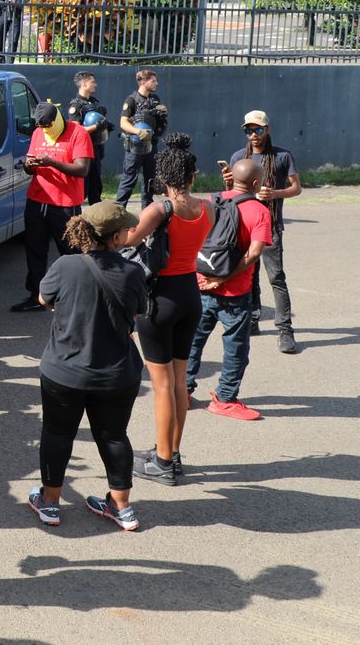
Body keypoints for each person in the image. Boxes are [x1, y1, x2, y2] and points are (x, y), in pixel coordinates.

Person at [27, 201, 148, 532]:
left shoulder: (66, 266)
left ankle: (50, 503)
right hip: (117, 373)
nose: (129, 232)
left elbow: (44, 299)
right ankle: (121, 508)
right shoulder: (132, 272)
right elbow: (137, 313)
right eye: (125, 228)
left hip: (64, 370)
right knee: (113, 435)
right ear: (113, 237)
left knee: (56, 432)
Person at [117, 134, 214, 485]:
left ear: (163, 178)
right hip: (190, 295)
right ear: (192, 176)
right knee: (178, 383)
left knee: (160, 385)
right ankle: (172, 454)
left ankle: (160, 461)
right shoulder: (208, 208)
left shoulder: (159, 209)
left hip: (161, 299)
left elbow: (127, 239)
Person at [186, 159, 274, 421]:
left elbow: (193, 239)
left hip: (201, 284)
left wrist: (203, 276)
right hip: (235, 293)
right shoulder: (259, 211)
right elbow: (254, 253)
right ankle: (225, 399)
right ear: (257, 184)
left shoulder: (211, 202)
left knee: (193, 341)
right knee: (236, 348)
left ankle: (183, 392)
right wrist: (223, 279)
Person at [228, 110, 302, 354]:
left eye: (258, 130)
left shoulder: (282, 156)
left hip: (270, 225)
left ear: (267, 130)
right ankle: (253, 318)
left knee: (276, 277)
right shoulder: (239, 157)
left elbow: (296, 188)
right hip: (245, 226)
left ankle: (285, 329)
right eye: (248, 130)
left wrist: (276, 194)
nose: (253, 135)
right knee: (248, 275)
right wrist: (228, 183)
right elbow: (233, 194)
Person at [12, 102, 93, 313]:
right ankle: (37, 296)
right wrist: (29, 166)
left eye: (49, 125)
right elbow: (30, 167)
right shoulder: (39, 133)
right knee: (35, 249)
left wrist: (51, 162)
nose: (46, 129)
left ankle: (78, 296)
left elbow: (82, 169)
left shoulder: (78, 132)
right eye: (42, 126)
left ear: (57, 119)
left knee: (71, 251)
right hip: (38, 200)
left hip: (65, 204)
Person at [115, 69, 168, 209]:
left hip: (151, 146)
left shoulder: (155, 99)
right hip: (135, 147)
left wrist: (161, 114)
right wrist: (138, 131)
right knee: (128, 180)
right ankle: (118, 212)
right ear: (143, 82)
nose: (156, 83)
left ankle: (147, 213)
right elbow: (123, 123)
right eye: (153, 81)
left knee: (150, 181)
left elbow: (159, 122)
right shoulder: (131, 100)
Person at [66, 71, 111, 205]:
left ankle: (97, 218)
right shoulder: (76, 106)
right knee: (83, 186)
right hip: (84, 151)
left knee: (95, 186)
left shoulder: (94, 102)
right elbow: (75, 130)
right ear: (84, 84)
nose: (95, 85)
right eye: (92, 82)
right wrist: (95, 127)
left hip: (96, 148)